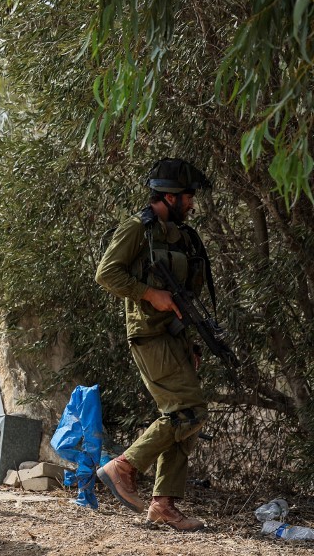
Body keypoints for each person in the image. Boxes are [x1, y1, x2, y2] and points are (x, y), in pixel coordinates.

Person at [95, 159, 213, 532]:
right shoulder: (137, 229)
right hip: (148, 334)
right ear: (170, 196)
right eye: (189, 197)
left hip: (174, 337)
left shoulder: (183, 237)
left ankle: (163, 504)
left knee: (184, 420)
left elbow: (186, 298)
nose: (192, 204)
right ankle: (124, 466)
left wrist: (192, 342)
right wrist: (148, 293)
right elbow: (106, 273)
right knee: (188, 412)